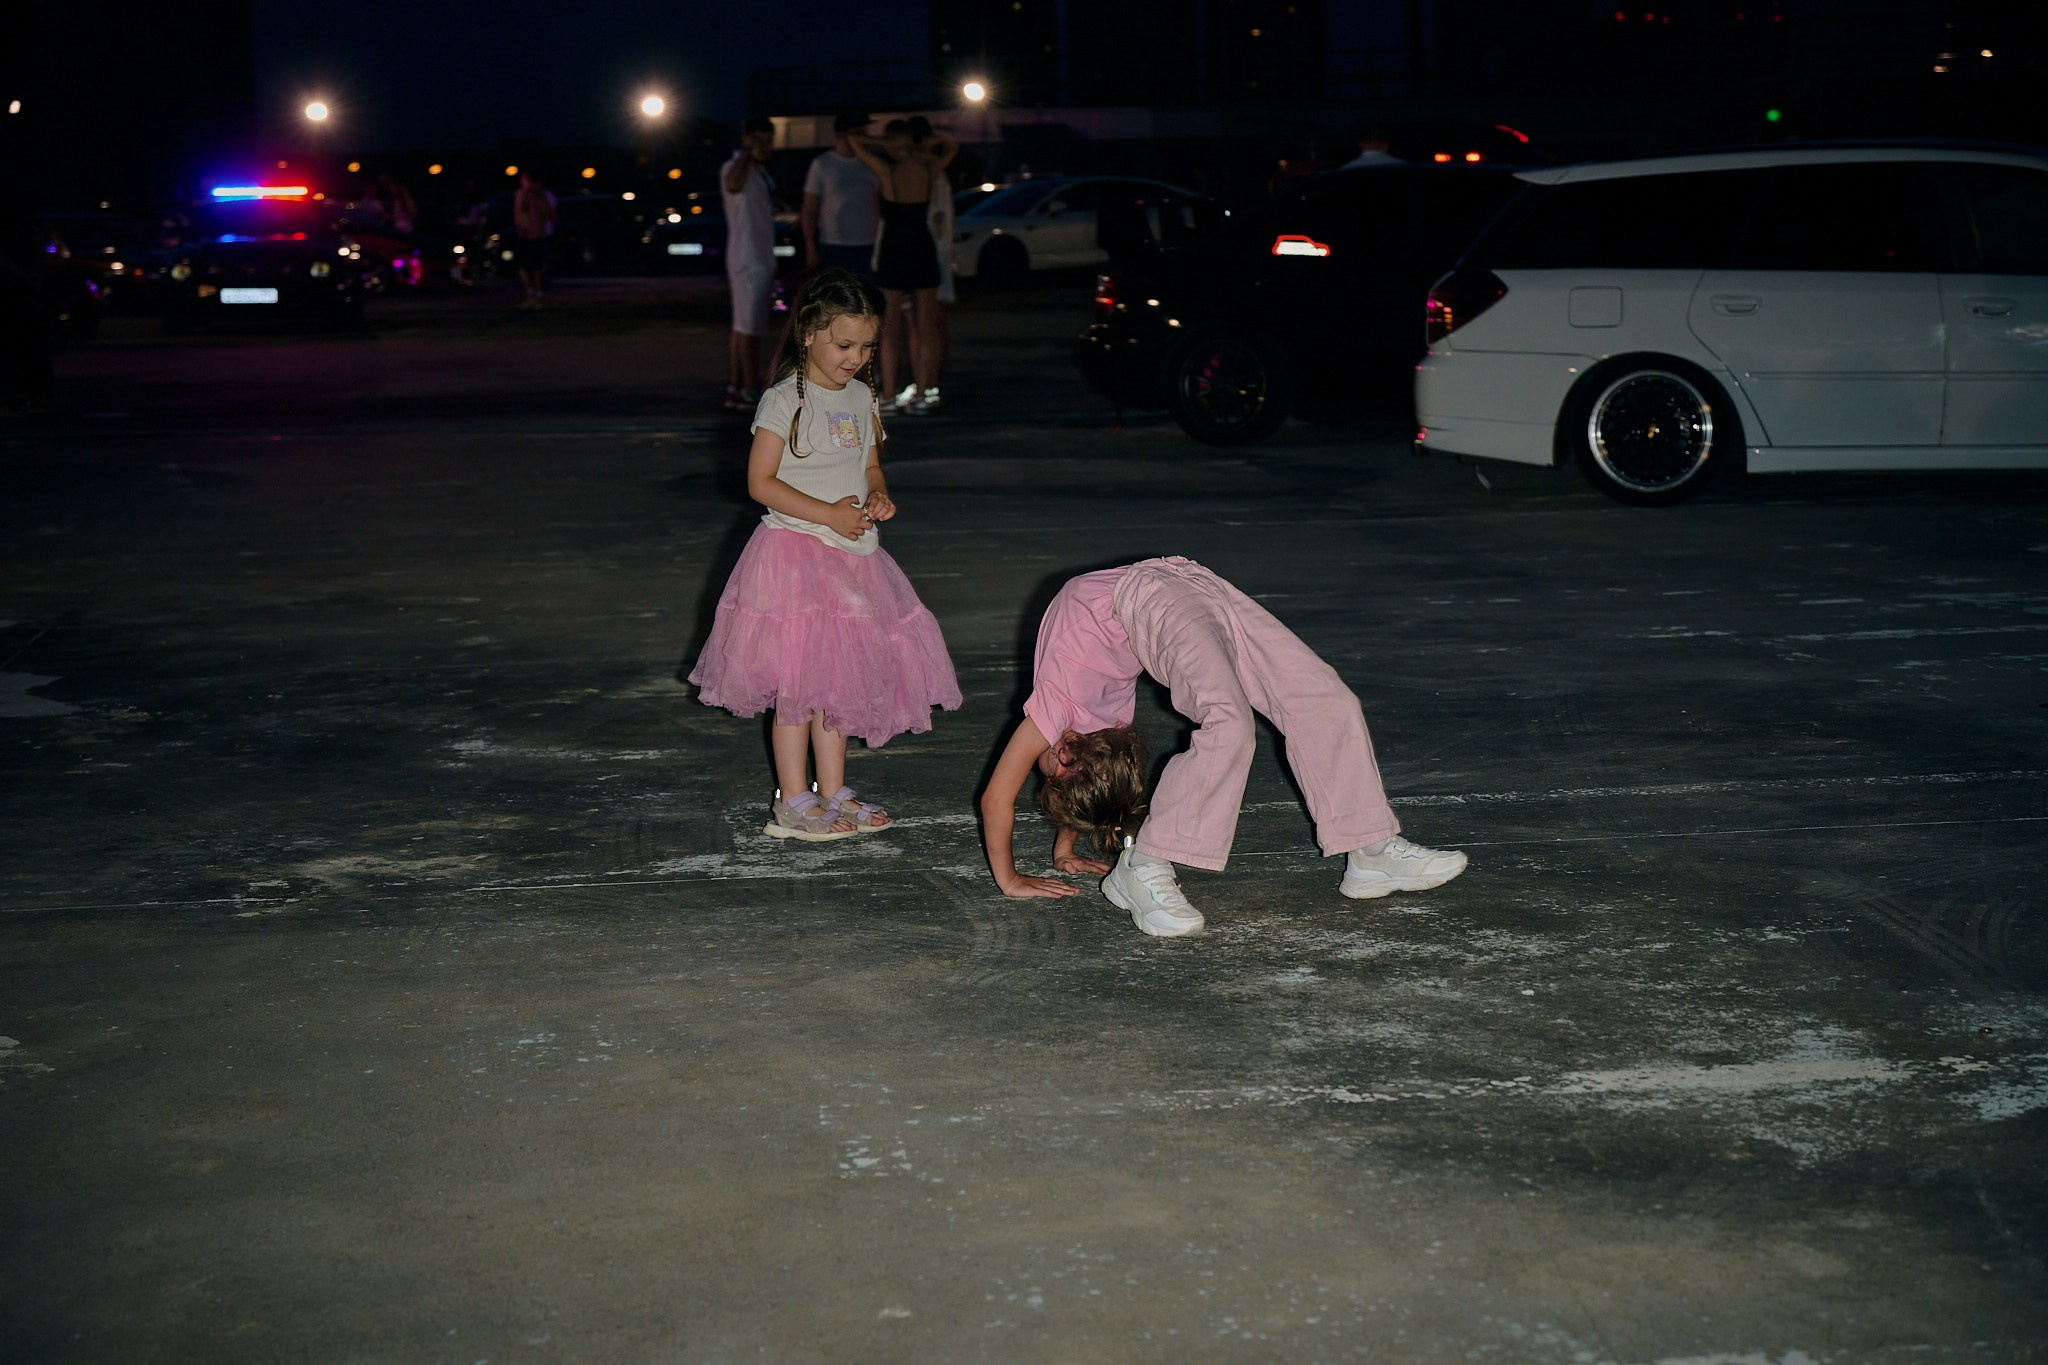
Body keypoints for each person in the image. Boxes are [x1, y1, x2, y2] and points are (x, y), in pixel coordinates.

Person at [979, 557, 1466, 935]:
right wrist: (1063, 849)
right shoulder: (1093, 741)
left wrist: (1010, 879)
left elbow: (996, 800)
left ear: (1064, 758)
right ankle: (1148, 862)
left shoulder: (1052, 713)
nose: (1040, 763)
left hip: (1151, 592)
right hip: (1183, 586)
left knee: (1293, 706)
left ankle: (1368, 848)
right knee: (1309, 703)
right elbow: (1088, 786)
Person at [688, 268, 962, 840]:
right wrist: (828, 514)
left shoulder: (862, 396)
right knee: (797, 685)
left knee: (837, 681)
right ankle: (792, 799)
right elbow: (760, 483)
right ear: (809, 333)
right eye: (844, 345)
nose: (856, 358)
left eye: (867, 346)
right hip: (793, 556)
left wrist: (878, 493)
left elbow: (869, 464)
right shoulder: (784, 400)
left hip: (853, 558)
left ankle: (832, 790)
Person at [851, 117, 956, 416]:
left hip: (895, 248)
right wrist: (919, 142)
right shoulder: (927, 169)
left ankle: (887, 395)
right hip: (921, 245)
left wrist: (882, 141)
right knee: (925, 326)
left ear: (896, 144)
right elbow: (951, 146)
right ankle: (921, 394)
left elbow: (856, 143)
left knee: (890, 327)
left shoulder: (889, 171)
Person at [721, 116, 779, 411]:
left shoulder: (760, 172)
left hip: (759, 255)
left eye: (769, 140)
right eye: (759, 140)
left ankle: (737, 386)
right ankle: (747, 387)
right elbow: (732, 184)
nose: (765, 146)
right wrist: (747, 153)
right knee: (749, 327)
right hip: (748, 257)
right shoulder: (735, 167)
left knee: (743, 326)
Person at [802, 112, 881, 277]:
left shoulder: (872, 163)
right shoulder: (822, 164)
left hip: (869, 244)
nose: (864, 138)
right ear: (843, 134)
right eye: (860, 132)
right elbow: (809, 208)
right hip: (834, 246)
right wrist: (810, 247)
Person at [512, 170, 557, 308]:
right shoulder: (522, 194)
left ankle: (536, 294)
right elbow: (518, 214)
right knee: (525, 266)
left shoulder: (540, 195)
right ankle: (532, 292)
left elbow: (549, 215)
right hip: (528, 235)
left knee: (536, 266)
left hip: (536, 235)